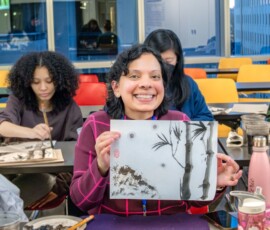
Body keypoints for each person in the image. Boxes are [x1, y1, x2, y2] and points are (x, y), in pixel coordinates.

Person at [70, 44, 242, 215]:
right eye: (134, 76)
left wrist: (214, 182)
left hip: (172, 223)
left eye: (155, 76)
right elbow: (81, 202)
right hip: (115, 224)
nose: (146, 84)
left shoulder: (180, 123)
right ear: (116, 88)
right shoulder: (96, 125)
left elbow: (195, 200)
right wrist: (100, 167)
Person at [0, 51, 83, 208]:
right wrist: (31, 132)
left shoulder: (70, 108)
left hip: (46, 179)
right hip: (12, 171)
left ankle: (8, 213)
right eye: (35, 82)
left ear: (59, 80)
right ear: (26, 82)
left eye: (49, 81)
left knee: (43, 180)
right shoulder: (18, 99)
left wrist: (60, 187)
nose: (43, 88)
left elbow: (78, 156)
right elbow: (2, 125)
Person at [144, 29, 213, 121]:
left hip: (185, 134)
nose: (162, 66)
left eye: (168, 61)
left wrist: (182, 128)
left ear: (178, 59)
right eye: (157, 60)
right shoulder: (140, 87)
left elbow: (206, 118)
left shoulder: (188, 84)